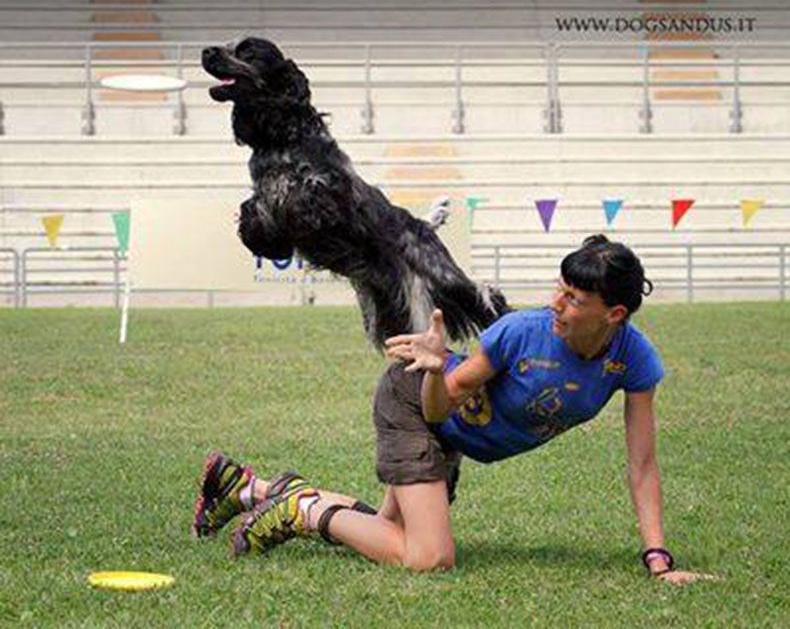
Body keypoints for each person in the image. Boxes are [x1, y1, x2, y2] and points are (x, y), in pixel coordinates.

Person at [192, 235, 712, 585]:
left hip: (453, 432)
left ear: (614, 314)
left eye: (575, 299)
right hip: (418, 402)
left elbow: (643, 465)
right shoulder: (521, 332)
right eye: (561, 288)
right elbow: (438, 409)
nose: (557, 302)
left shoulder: (634, 359)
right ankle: (301, 511)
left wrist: (658, 559)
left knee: (384, 532)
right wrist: (438, 368)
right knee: (429, 556)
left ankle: (251, 488)